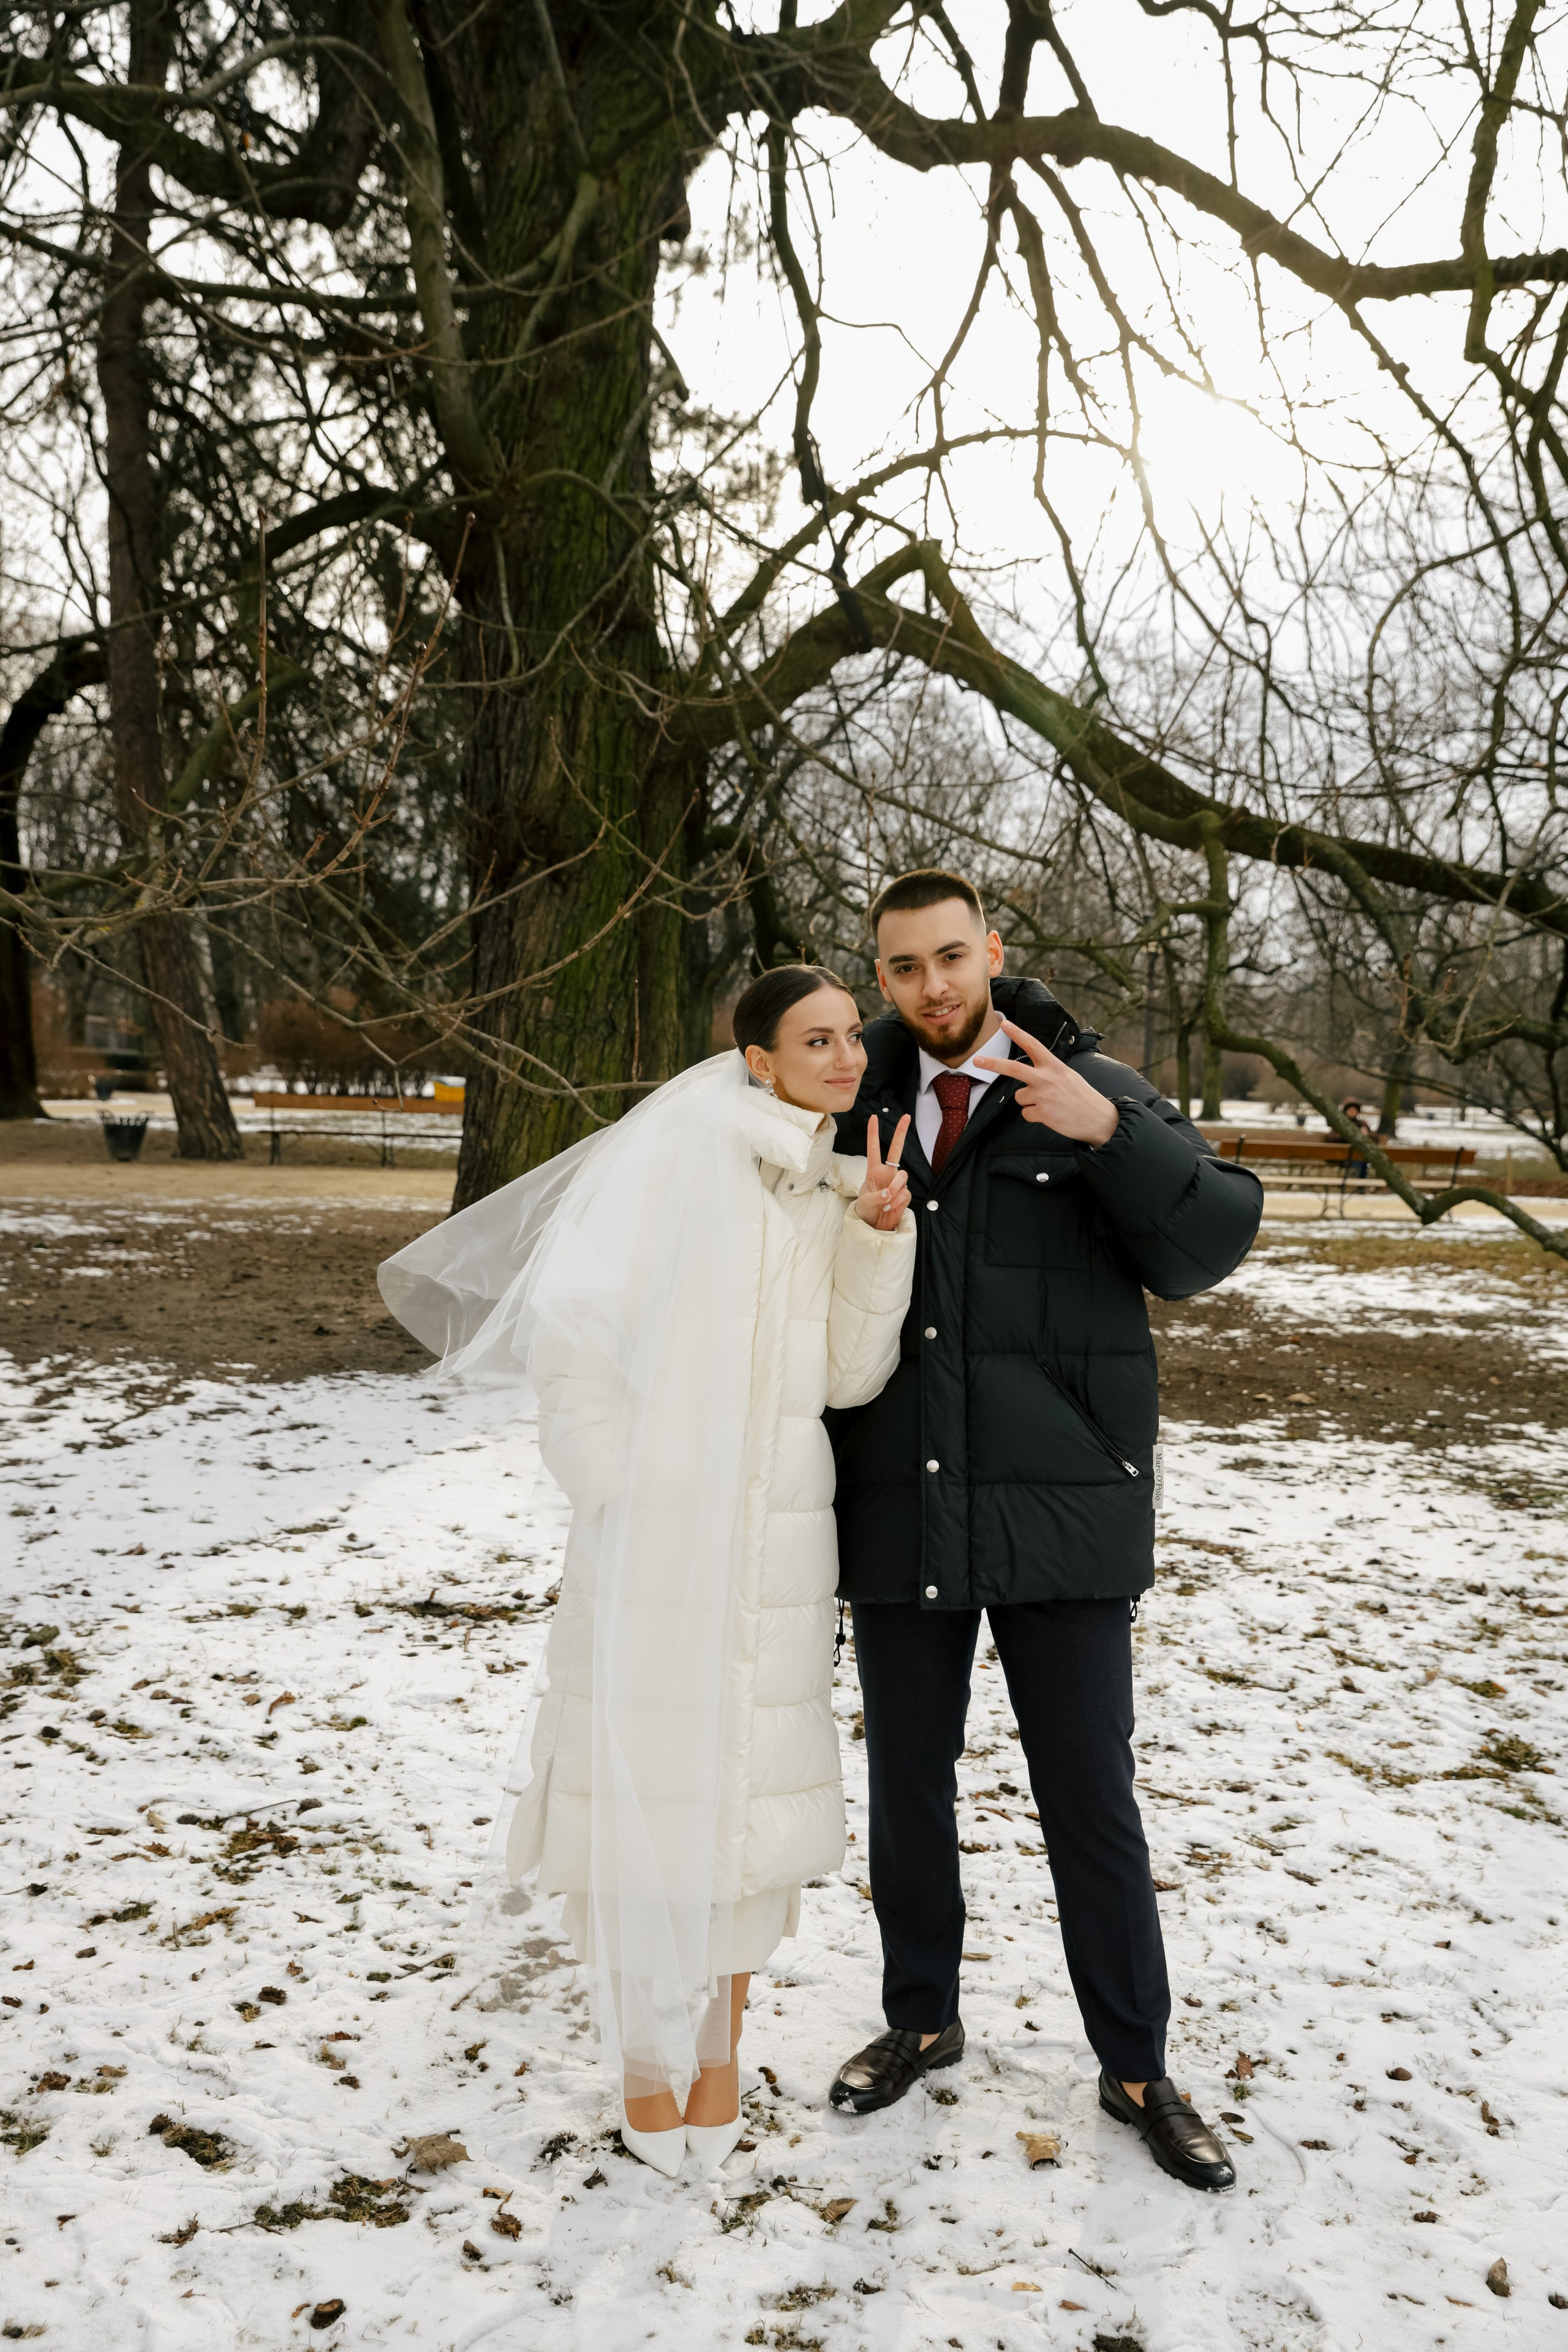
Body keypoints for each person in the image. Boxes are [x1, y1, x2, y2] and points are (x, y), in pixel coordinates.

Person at [377, 967, 914, 2178]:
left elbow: (843, 1378)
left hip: (776, 1542)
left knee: (738, 1808)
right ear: (756, 1059)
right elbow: (571, 1328)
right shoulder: (677, 1164)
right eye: (814, 1040)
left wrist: (878, 1243)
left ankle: (716, 2063)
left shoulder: (830, 1183)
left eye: (849, 1038)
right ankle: (639, 2067)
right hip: (656, 1545)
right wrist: (620, 1487)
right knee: (639, 1799)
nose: (843, 1057)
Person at [823, 870, 1264, 2193]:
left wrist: (1107, 1135)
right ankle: (918, 2015)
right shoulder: (854, 1101)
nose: (931, 988)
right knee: (907, 1786)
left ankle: (1135, 2066)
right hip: (899, 1497)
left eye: (949, 957)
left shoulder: (1091, 1084)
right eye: (902, 968)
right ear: (882, 976)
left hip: (1064, 1508)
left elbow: (1210, 1244)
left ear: (991, 951)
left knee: (1088, 1796)